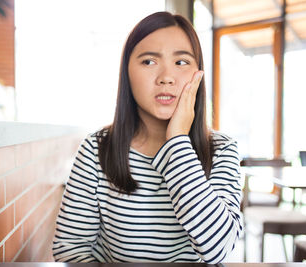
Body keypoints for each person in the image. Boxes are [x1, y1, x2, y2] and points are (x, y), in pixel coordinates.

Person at [52, 11, 242, 263]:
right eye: (149, 62)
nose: (166, 77)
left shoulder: (221, 149)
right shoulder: (97, 148)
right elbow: (70, 249)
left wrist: (177, 143)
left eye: (181, 62)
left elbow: (219, 249)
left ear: (199, 73)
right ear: (127, 74)